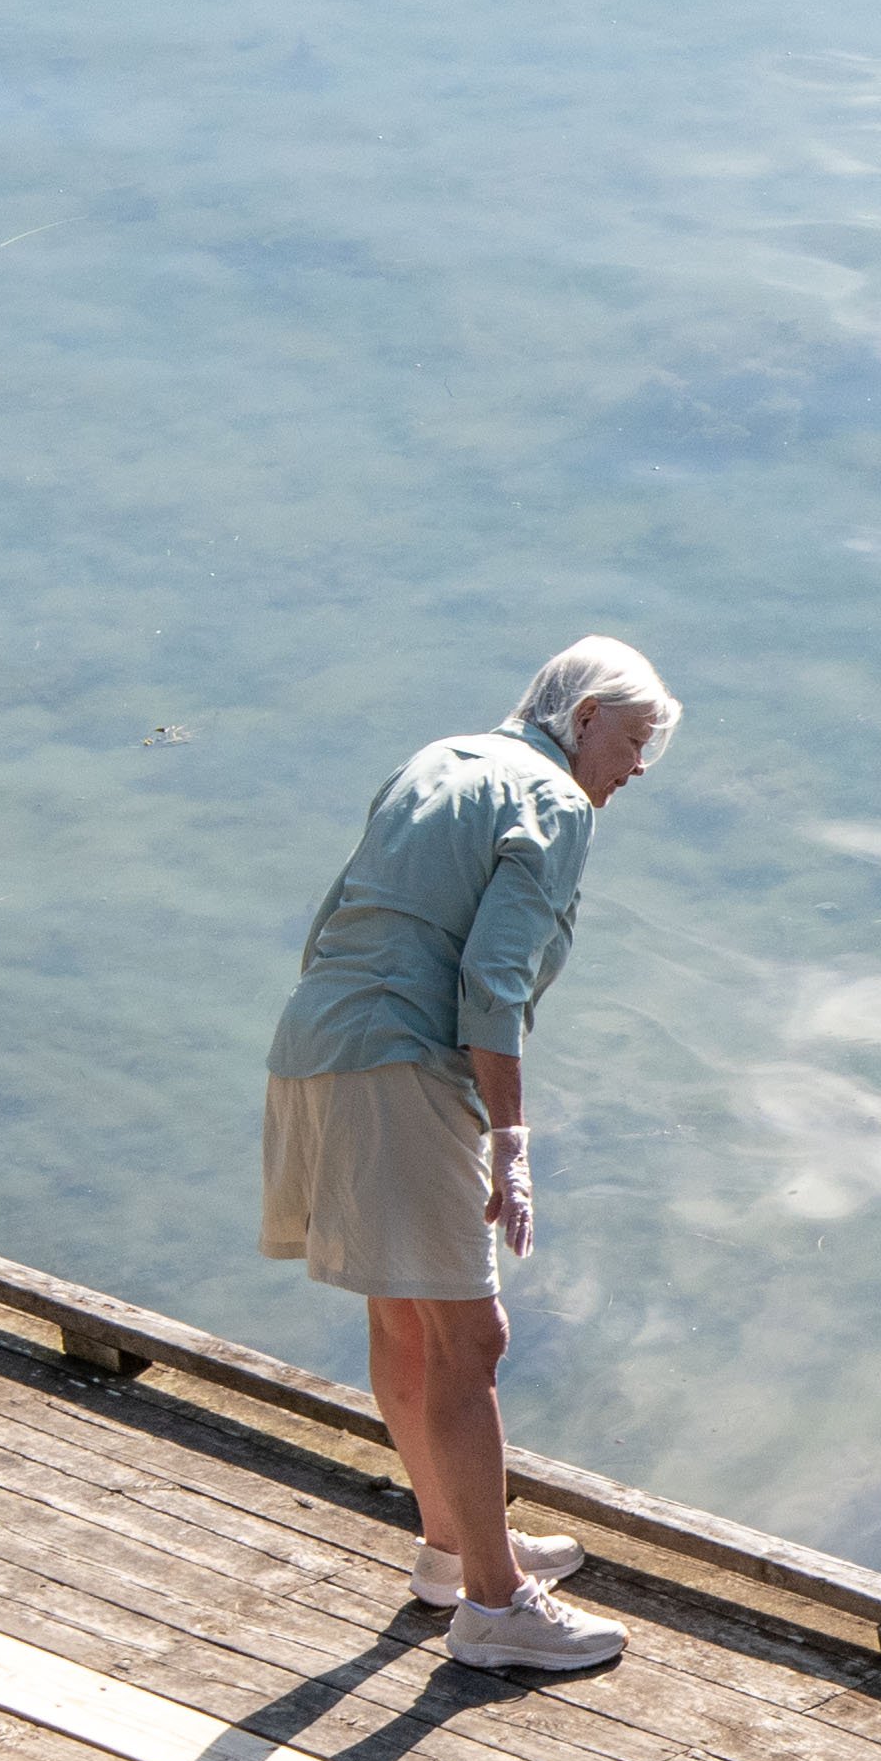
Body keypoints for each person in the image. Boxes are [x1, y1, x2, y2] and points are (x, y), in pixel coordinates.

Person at [261, 637, 680, 1674]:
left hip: (317, 1041)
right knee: (471, 1338)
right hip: (404, 1060)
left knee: (404, 1313)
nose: (635, 771)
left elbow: (332, 921)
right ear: (582, 716)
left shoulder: (436, 759)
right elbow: (490, 984)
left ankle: (454, 1543)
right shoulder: (557, 803)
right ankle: (498, 1606)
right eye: (632, 743)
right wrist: (512, 1141)